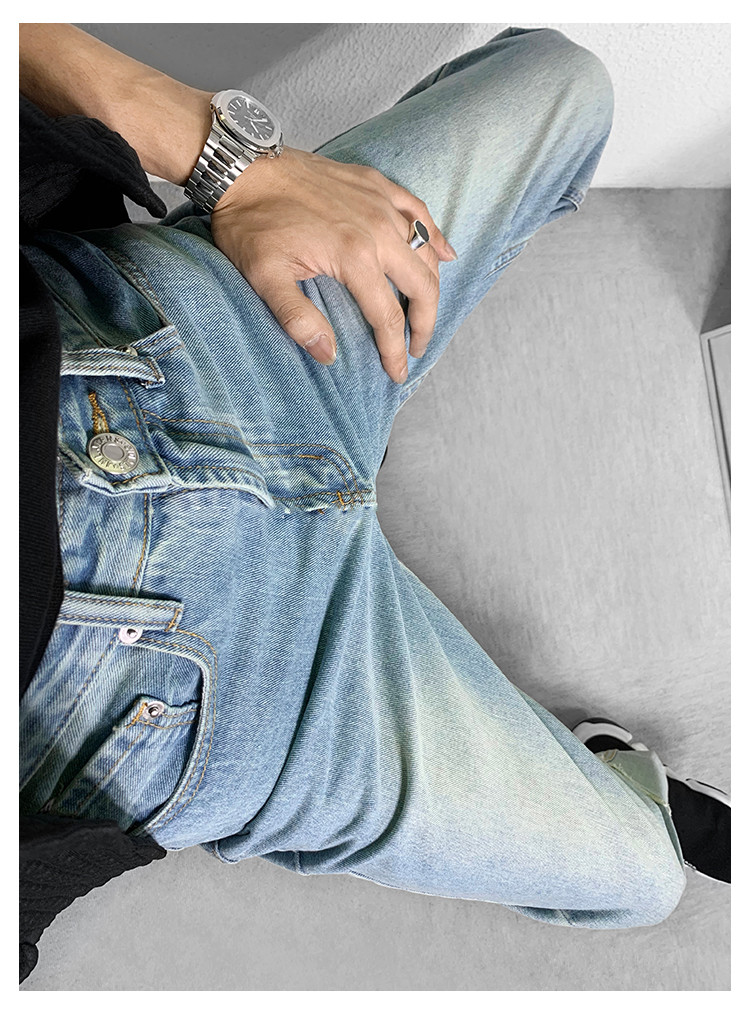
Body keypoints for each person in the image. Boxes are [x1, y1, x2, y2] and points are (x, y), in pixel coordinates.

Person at [19, 23, 729, 985]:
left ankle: (354, 441)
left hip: (165, 337)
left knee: (564, 84)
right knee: (644, 879)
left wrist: (232, 162)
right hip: (181, 705)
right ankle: (605, 766)